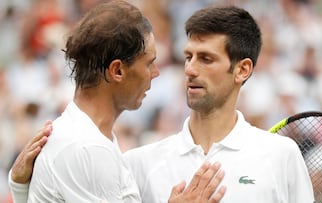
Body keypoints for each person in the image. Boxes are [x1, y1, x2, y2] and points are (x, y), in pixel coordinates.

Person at [9, 4, 314, 203]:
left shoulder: (281, 156)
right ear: (117, 71)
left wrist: (22, 189)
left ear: (242, 69)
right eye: (188, 57)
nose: (190, 69)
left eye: (206, 58)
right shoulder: (134, 162)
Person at [7, 1, 226, 203]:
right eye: (149, 63)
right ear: (118, 70)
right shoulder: (88, 147)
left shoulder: (87, 138)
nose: (155, 73)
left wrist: (19, 189)